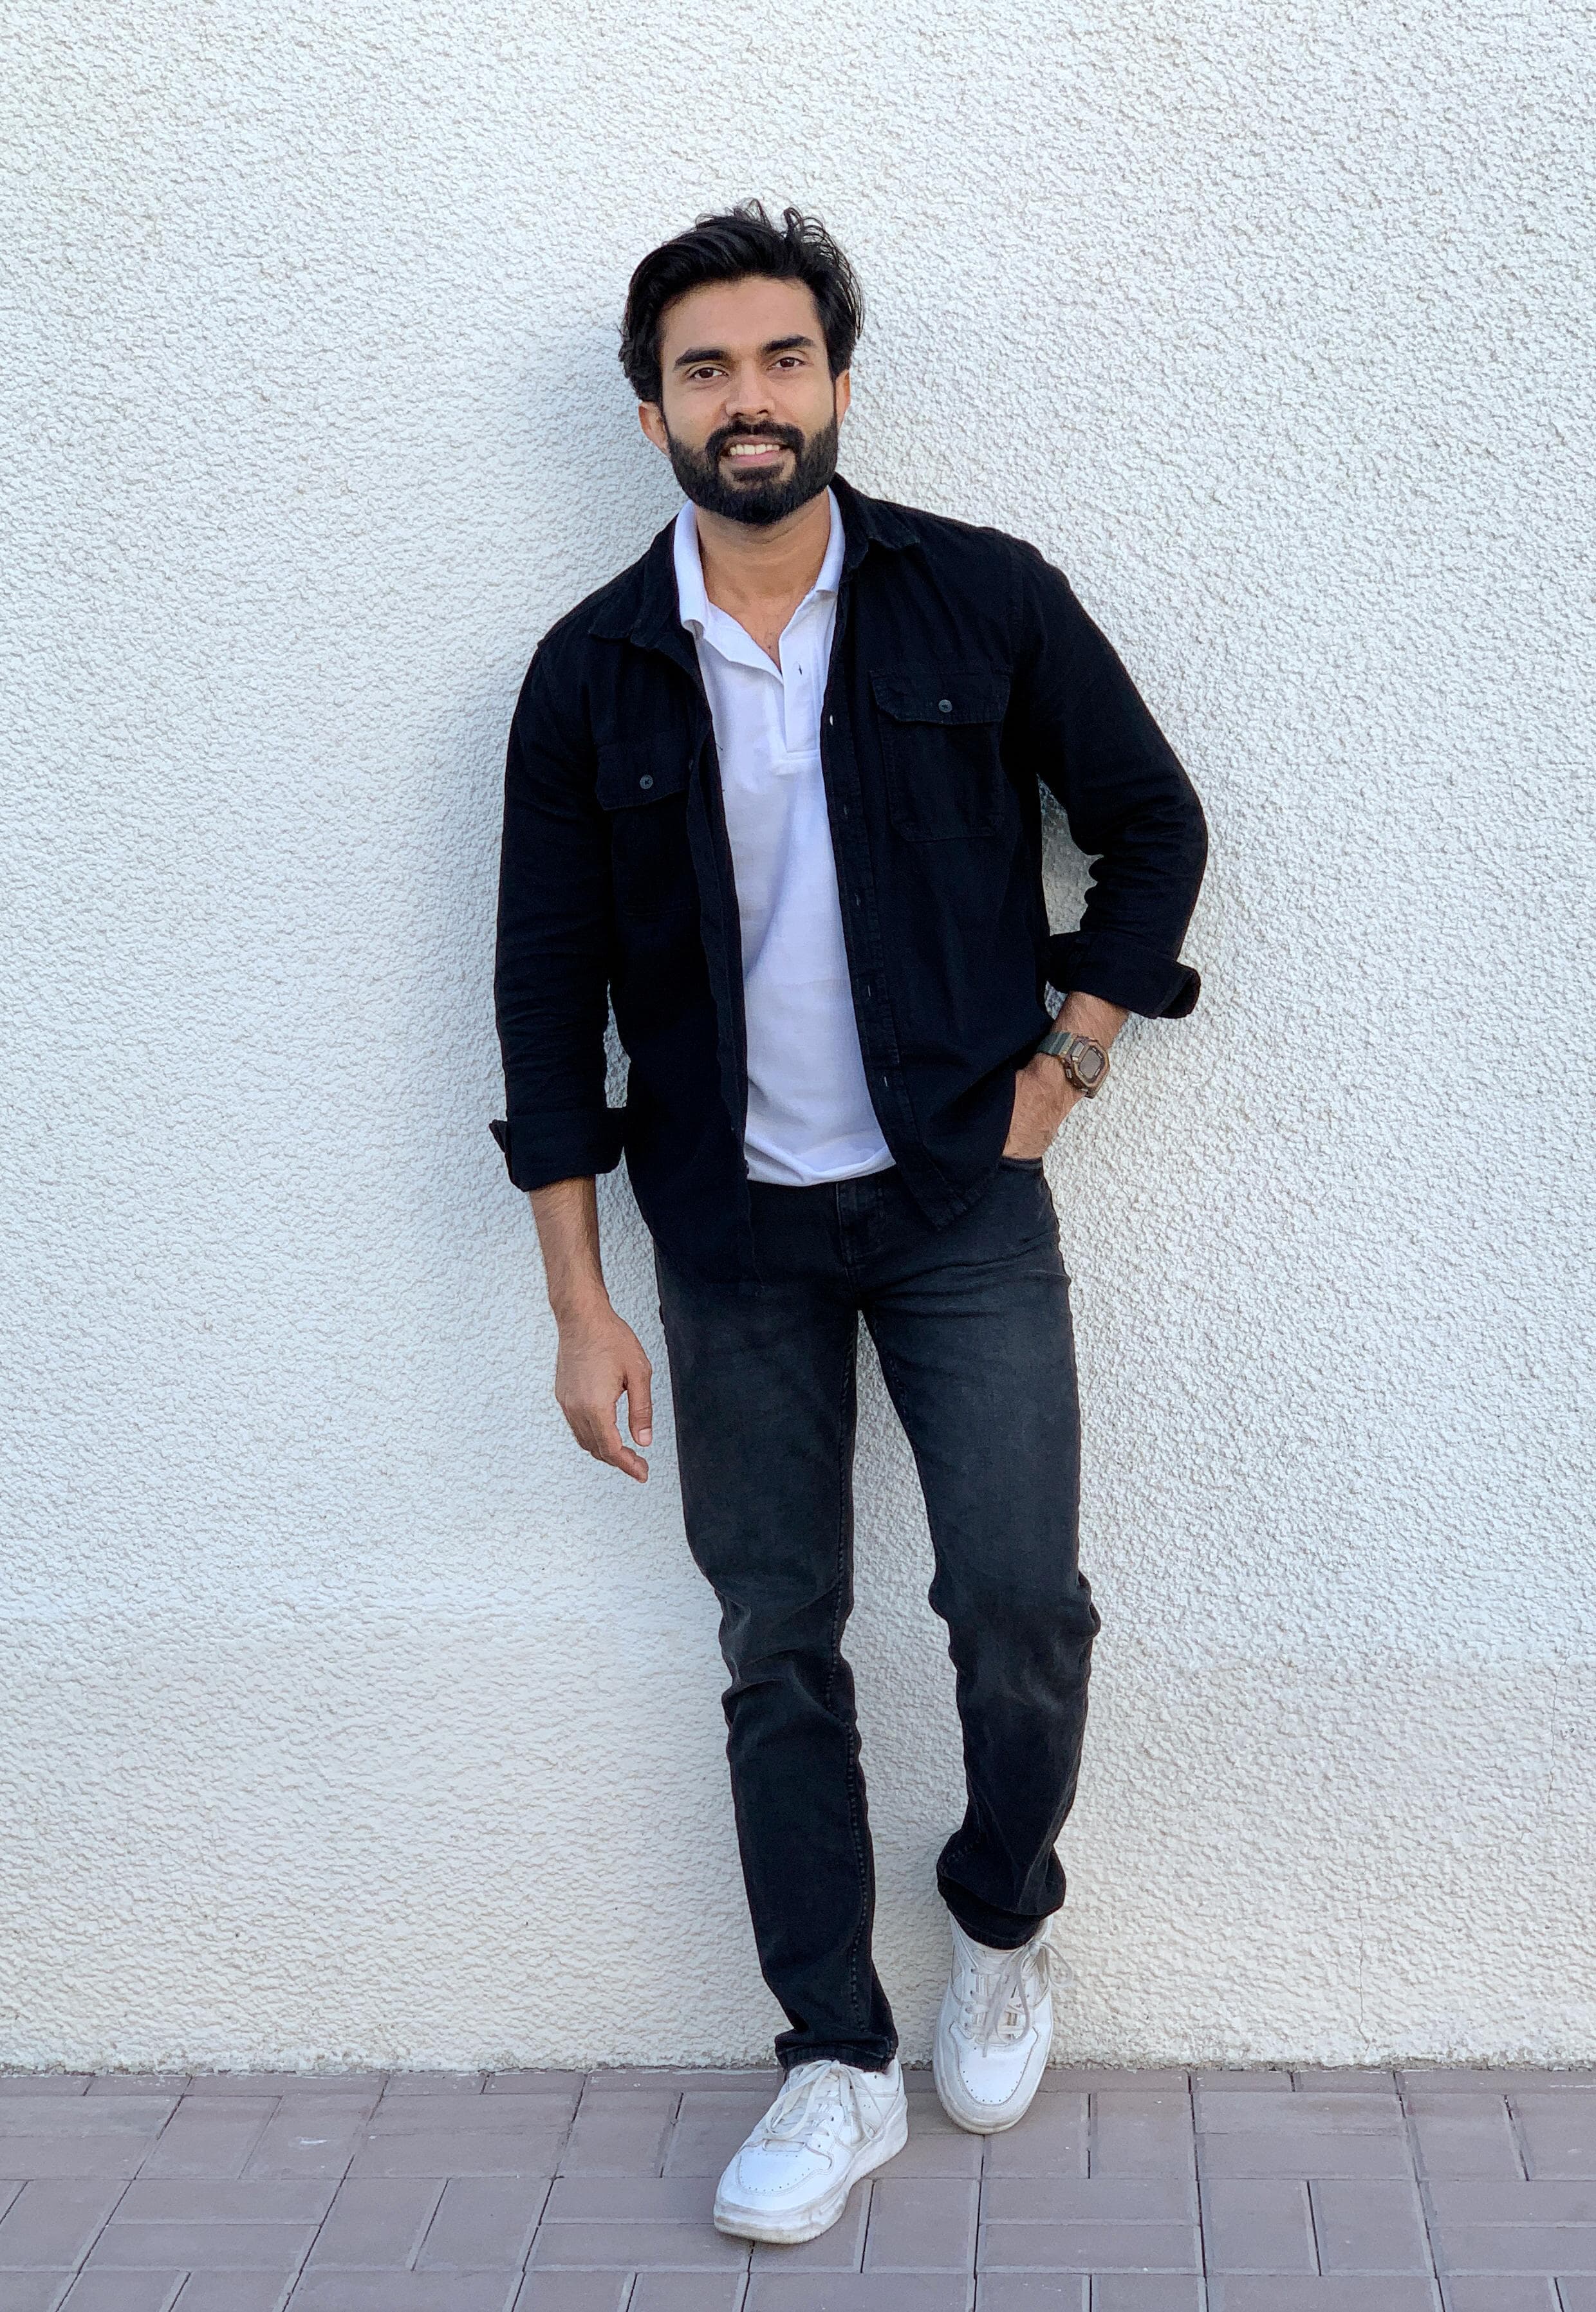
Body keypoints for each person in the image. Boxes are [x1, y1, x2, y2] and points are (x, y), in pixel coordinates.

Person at [491, 200, 1207, 2246]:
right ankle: (831, 2053)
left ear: (834, 382)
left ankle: (1001, 1912)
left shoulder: (982, 600)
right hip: (730, 1238)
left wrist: (1068, 1063)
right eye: (705, 368)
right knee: (776, 1640)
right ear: (651, 414)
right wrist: (581, 1299)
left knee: (1020, 1602)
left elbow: (1153, 824)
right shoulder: (590, 674)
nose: (750, 397)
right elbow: (545, 1000)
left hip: (958, 1199)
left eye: (782, 358)